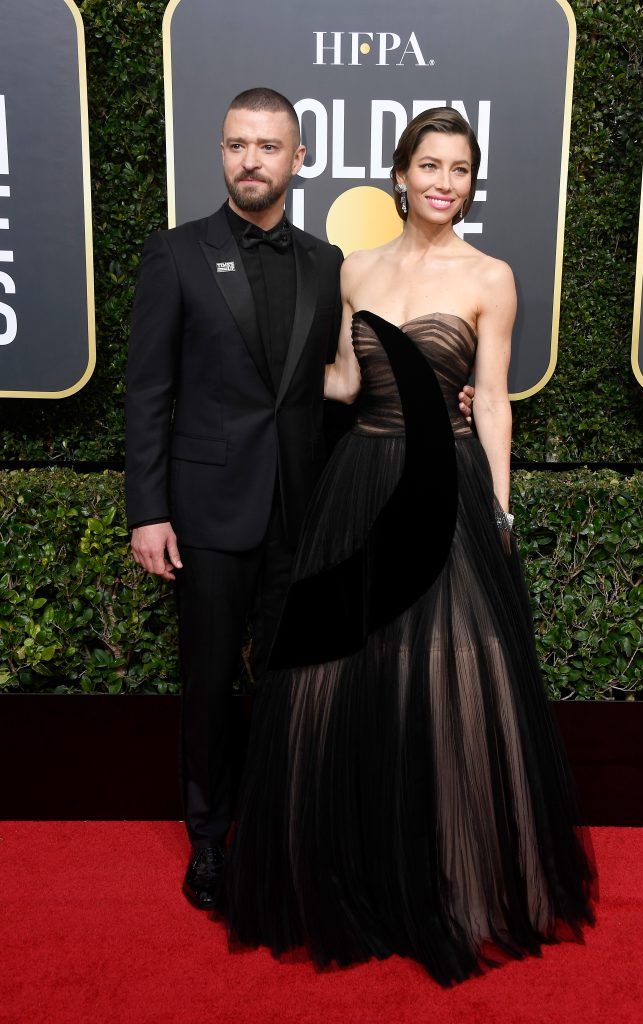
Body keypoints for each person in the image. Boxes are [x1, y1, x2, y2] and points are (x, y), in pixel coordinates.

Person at [218, 107, 596, 986]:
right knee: (334, 677)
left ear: (470, 182)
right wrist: (245, 369)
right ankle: (347, 872)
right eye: (429, 165)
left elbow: (492, 398)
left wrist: (498, 510)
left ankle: (448, 873)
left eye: (459, 170)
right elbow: (348, 380)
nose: (443, 182)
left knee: (451, 676)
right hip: (358, 481)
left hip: (444, 487)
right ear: (400, 173)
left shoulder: (490, 276)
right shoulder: (354, 271)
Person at [125, 86, 478, 911]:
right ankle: (209, 844)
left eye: (268, 146)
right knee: (210, 683)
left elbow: (357, 379)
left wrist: (442, 393)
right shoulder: (174, 254)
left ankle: (285, 833)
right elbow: (148, 392)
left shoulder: (330, 264)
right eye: (236, 144)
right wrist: (148, 509)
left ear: (299, 158)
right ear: (221, 153)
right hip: (208, 514)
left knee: (298, 686)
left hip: (309, 512)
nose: (251, 160)